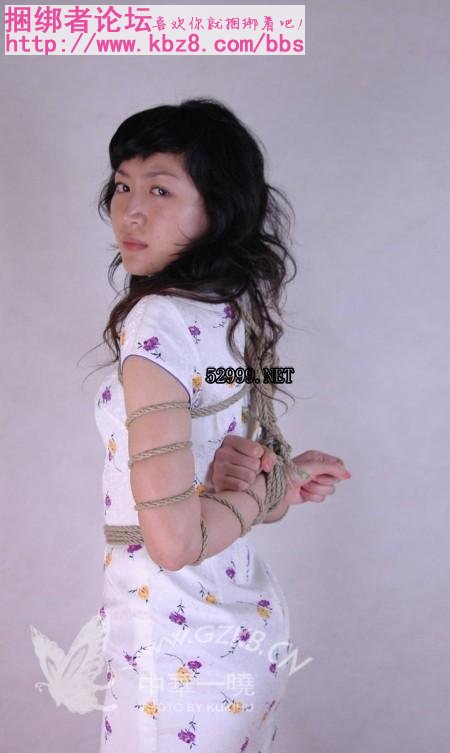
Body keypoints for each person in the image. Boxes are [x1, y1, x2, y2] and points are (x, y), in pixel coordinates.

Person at [92, 97, 351, 753]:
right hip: (242, 633)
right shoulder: (230, 313)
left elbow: (175, 541)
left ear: (218, 207)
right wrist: (280, 480)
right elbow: (235, 471)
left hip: (173, 654)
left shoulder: (157, 321)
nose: (131, 210)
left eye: (160, 189)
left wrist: (263, 486)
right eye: (123, 185)